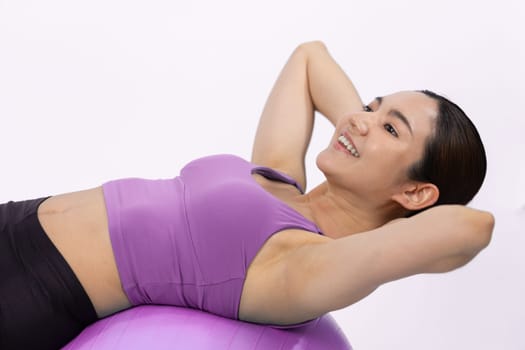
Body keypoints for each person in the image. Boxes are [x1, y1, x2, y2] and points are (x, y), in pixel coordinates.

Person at [0, 41, 494, 349]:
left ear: (416, 192)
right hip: (17, 220)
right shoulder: (279, 178)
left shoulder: (302, 266)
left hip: (32, 292)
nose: (360, 117)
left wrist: (387, 185)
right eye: (371, 105)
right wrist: (364, 134)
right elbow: (309, 57)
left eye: (391, 127)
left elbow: (473, 226)